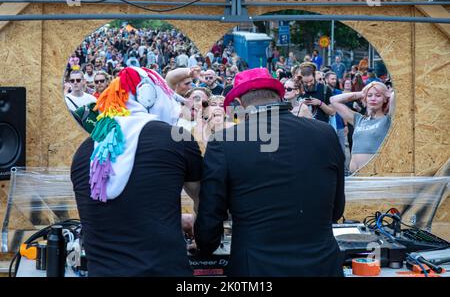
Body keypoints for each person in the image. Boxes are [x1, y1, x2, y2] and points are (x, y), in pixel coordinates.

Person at [194, 68, 345, 277]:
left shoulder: (224, 142)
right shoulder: (324, 133)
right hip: (321, 265)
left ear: (239, 104)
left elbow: (210, 221)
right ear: (278, 96)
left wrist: (204, 246)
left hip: (256, 267)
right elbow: (336, 211)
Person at [71, 67, 202, 276]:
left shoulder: (83, 152)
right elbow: (202, 201)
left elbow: (122, 212)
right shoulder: (177, 138)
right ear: (148, 97)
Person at [330, 81, 394, 173]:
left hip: (374, 175)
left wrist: (387, 93)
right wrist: (362, 93)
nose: (373, 98)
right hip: (354, 175)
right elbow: (333, 100)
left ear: (385, 98)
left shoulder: (388, 119)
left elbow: (395, 95)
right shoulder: (358, 119)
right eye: (370, 95)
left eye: (378, 95)